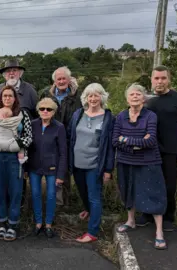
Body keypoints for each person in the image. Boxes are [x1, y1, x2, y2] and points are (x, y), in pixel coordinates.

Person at [113, 83, 167, 250]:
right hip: (125, 161)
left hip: (149, 161)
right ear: (127, 99)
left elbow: (150, 141)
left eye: (138, 94)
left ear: (144, 98)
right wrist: (137, 143)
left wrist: (126, 140)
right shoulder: (121, 116)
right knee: (127, 190)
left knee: (154, 192)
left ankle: (159, 232)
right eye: (131, 94)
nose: (135, 96)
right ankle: (131, 221)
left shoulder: (150, 116)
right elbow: (115, 140)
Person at [141, 65, 177, 232]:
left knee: (169, 185)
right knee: (148, 182)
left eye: (163, 78)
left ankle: (168, 216)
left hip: (170, 149)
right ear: (151, 79)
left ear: (169, 79)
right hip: (148, 149)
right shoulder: (145, 100)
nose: (160, 81)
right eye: (156, 78)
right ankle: (147, 214)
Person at [0, 85, 33, 241]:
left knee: (15, 192)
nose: (7, 98)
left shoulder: (22, 114)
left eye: (10, 96)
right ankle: (1, 223)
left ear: (15, 98)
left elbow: (28, 136)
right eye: (4, 96)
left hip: (14, 158)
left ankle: (12, 225)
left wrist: (16, 145)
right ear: (0, 97)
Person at [68, 83, 115, 243]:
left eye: (97, 95)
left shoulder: (108, 118)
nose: (93, 99)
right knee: (83, 192)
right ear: (86, 98)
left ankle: (92, 232)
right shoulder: (78, 114)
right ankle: (88, 210)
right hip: (77, 163)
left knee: (94, 197)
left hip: (95, 165)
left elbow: (110, 146)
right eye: (90, 95)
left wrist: (108, 169)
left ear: (102, 97)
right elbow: (70, 136)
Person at [40, 66, 82, 207]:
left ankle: (66, 203)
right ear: (54, 81)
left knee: (65, 169)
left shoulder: (77, 96)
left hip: (70, 138)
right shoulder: (46, 94)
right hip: (51, 137)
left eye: (64, 78)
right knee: (52, 169)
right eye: (59, 79)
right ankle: (54, 202)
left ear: (69, 79)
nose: (62, 81)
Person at [27, 98, 67, 238]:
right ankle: (38, 223)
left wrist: (61, 174)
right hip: (34, 166)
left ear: (54, 111)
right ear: (38, 111)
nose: (45, 111)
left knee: (51, 196)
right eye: (42, 109)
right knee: (36, 194)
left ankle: (48, 224)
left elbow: (63, 152)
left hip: (52, 167)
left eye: (48, 109)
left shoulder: (59, 127)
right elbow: (27, 147)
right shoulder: (32, 125)